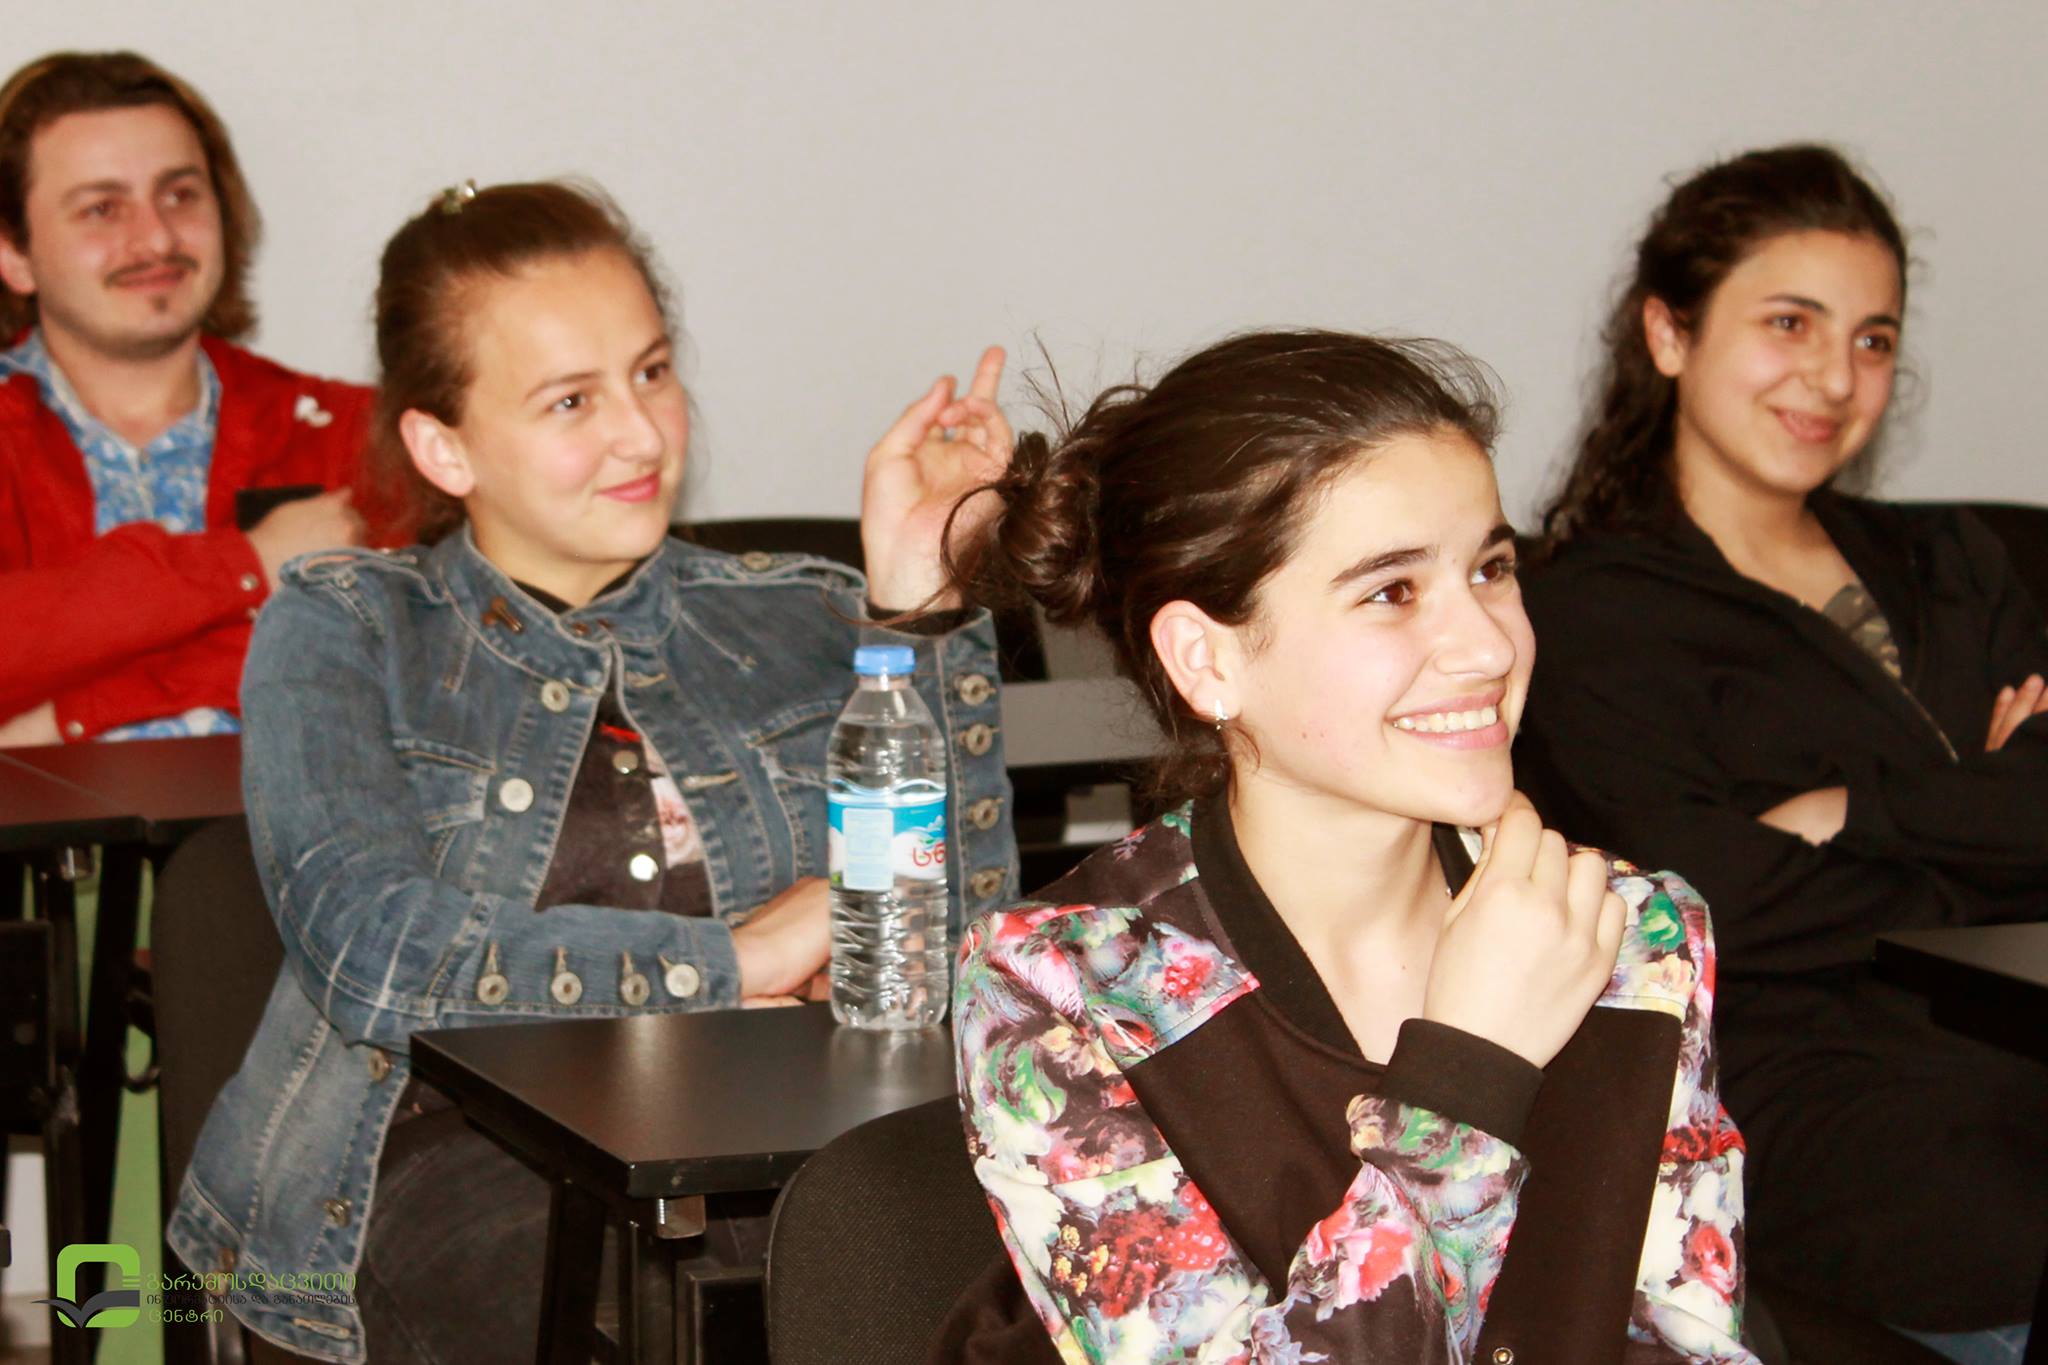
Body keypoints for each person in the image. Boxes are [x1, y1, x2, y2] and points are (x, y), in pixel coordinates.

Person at [164, 179, 1020, 1362]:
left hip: (787, 1158)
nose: (642, 434)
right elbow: (379, 954)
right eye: (572, 399)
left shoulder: (811, 617)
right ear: (443, 446)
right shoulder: (351, 625)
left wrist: (922, 614)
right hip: (448, 1157)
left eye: (651, 372)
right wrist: (735, 961)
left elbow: (970, 950)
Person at [941, 330, 1757, 1363]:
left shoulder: (1630, 932)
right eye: (1391, 591)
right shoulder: (1064, 985)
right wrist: (1470, 1073)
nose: (1489, 645)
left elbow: (1686, 1342)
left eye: (1491, 569)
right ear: (1206, 659)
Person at [1520, 144, 2047, 1362]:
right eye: (1788, 323)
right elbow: (1709, 899)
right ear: (1668, 334)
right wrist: (1981, 819)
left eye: (1871, 339)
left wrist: (1846, 814)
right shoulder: (1586, 613)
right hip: (1818, 1095)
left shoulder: (1955, 555)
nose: (1833, 376)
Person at [0, 51, 378, 745]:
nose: (156, 238)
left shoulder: (352, 434)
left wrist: (61, 720)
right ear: (13, 254)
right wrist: (246, 566)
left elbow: (401, 676)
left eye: (180, 195)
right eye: (102, 209)